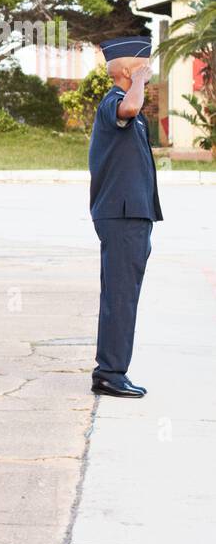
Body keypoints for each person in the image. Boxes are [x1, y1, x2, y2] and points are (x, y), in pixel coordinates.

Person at [87, 36, 162, 399]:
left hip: (131, 215)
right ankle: (110, 373)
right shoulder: (116, 102)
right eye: (143, 64)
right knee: (120, 295)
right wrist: (138, 82)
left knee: (122, 294)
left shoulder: (123, 101)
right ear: (128, 70)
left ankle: (112, 370)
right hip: (122, 216)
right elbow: (130, 109)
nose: (149, 70)